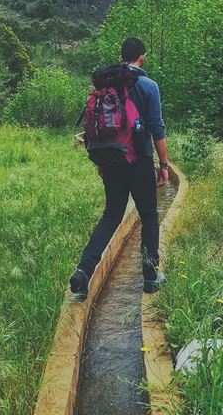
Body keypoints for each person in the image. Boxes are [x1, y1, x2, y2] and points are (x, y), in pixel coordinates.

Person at [70, 36, 169, 300]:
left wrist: (102, 163)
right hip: (138, 161)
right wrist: (165, 164)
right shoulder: (148, 86)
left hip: (110, 162)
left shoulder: (106, 84)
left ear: (120, 56)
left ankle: (83, 271)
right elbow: (157, 128)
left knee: (111, 216)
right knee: (149, 215)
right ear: (142, 57)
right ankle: (150, 278)